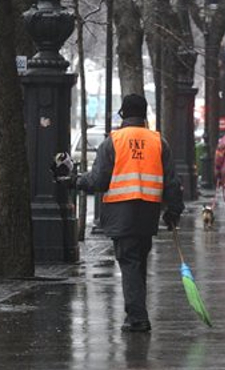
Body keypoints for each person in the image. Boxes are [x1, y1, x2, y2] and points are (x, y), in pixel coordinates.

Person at [77, 94, 184, 332]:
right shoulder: (158, 142)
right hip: (148, 210)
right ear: (144, 114)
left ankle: (137, 317)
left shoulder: (113, 141)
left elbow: (98, 180)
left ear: (123, 114)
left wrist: (76, 181)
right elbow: (172, 182)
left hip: (121, 210)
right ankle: (137, 312)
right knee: (138, 262)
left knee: (130, 262)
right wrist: (173, 210)